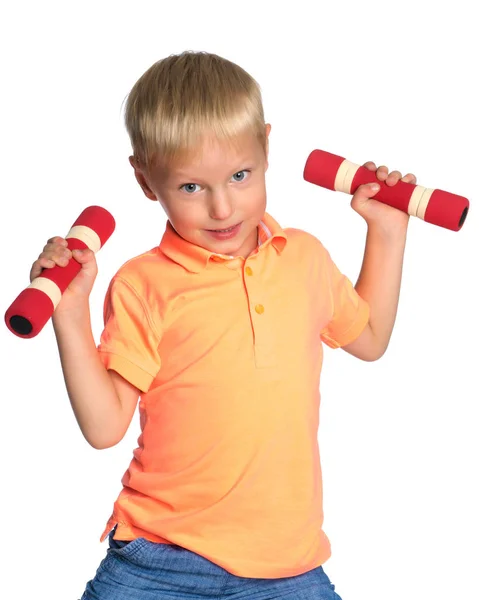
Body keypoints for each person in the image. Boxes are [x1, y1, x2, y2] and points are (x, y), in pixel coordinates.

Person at [30, 51, 416, 599]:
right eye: (192, 188)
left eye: (240, 176)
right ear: (145, 179)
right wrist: (69, 316)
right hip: (158, 561)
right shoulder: (144, 283)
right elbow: (104, 428)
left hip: (288, 566)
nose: (222, 207)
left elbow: (370, 338)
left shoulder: (302, 259)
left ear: (265, 147)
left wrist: (387, 232)